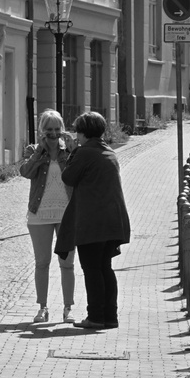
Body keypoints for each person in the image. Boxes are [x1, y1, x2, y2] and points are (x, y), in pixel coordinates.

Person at [55, 111, 131, 330]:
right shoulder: (108, 151)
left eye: (77, 132)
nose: (75, 136)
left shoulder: (84, 152)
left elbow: (68, 177)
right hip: (113, 220)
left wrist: (72, 152)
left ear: (84, 132)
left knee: (92, 269)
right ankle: (110, 316)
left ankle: (96, 317)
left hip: (93, 222)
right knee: (105, 268)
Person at [19, 109, 78, 324]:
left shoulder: (69, 151)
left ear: (62, 131)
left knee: (67, 263)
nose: (53, 135)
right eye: (48, 130)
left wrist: (74, 149)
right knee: (42, 262)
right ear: (41, 131)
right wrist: (39, 153)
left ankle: (67, 308)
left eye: (56, 130)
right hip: (39, 214)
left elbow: (81, 172)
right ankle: (42, 308)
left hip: (66, 214)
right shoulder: (33, 150)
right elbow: (25, 172)